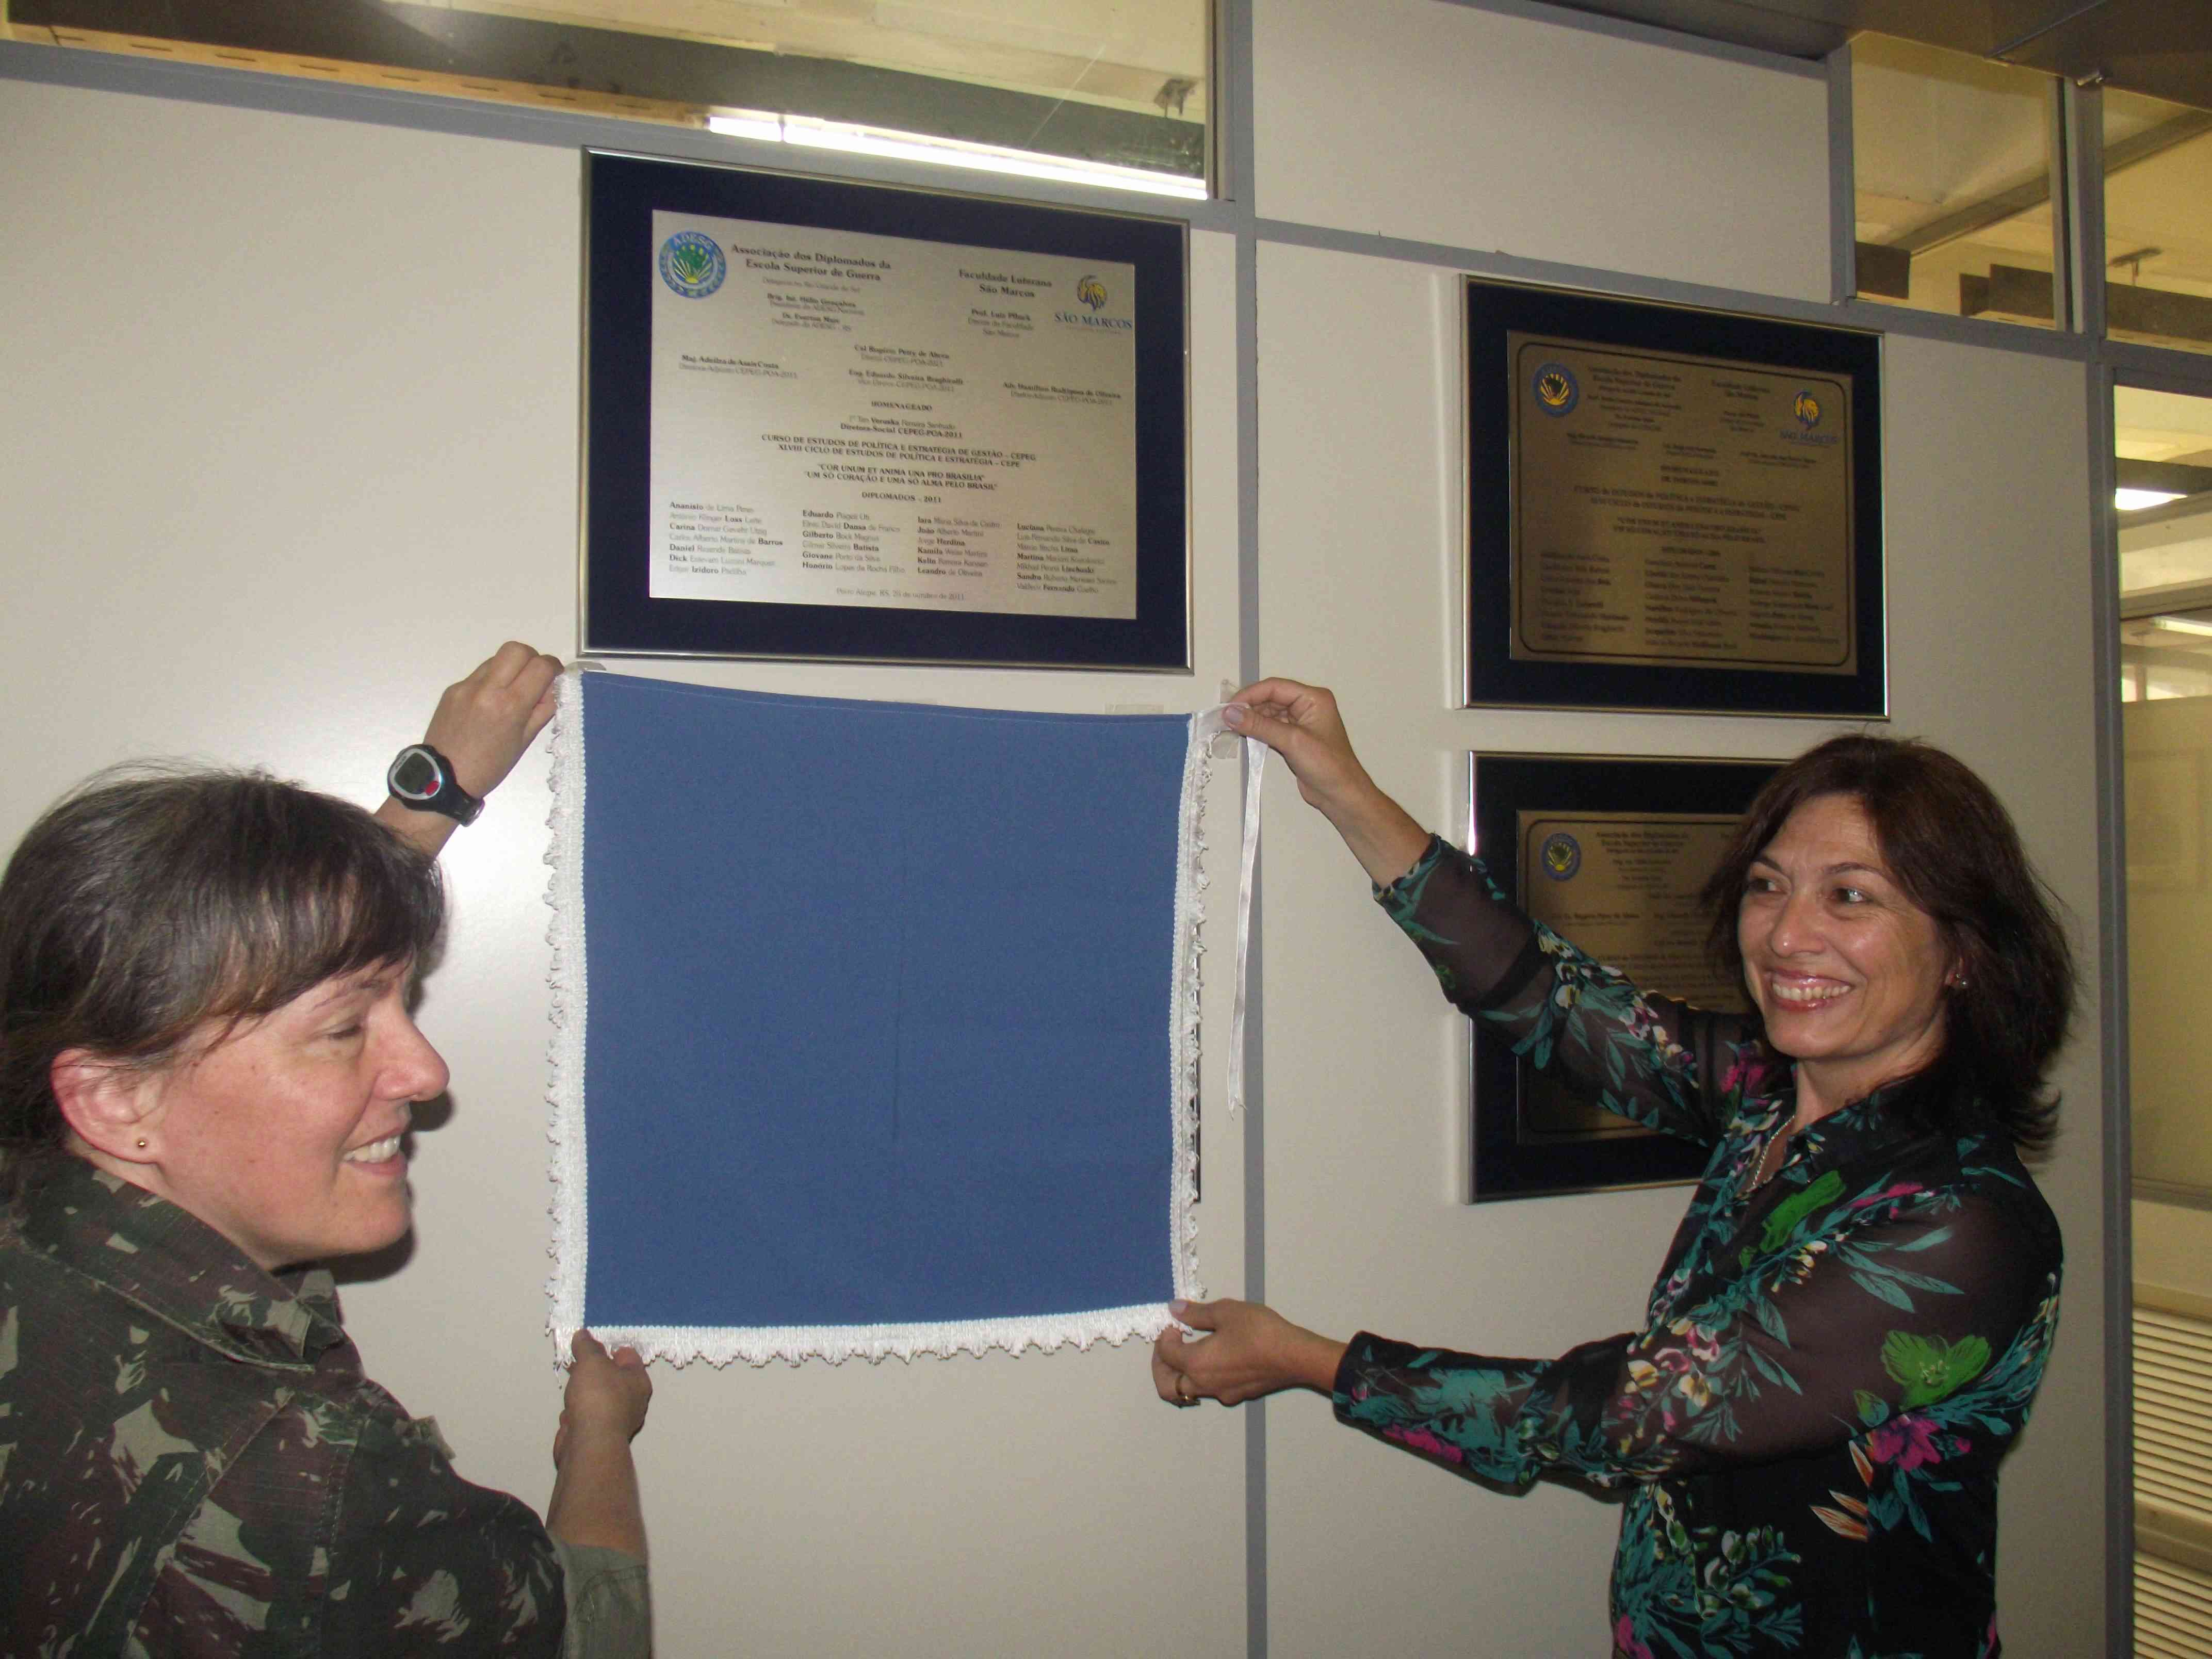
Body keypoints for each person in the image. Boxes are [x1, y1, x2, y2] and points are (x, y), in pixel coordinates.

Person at [1152, 679, 2073, 1659]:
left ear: (1965, 951)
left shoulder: (1964, 1224)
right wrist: (1341, 783)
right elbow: (1542, 995)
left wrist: (1309, 1361)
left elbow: (1625, 1418)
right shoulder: (1771, 1095)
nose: (1786, 934)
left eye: (1850, 896)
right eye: (1769, 885)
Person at [0, 644, 655, 1655]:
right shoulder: (319, 1490)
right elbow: (590, 1636)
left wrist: (434, 794)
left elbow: (236, 980)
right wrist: (600, 1438)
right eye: (347, 1027)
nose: (426, 1070)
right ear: (115, 1097)